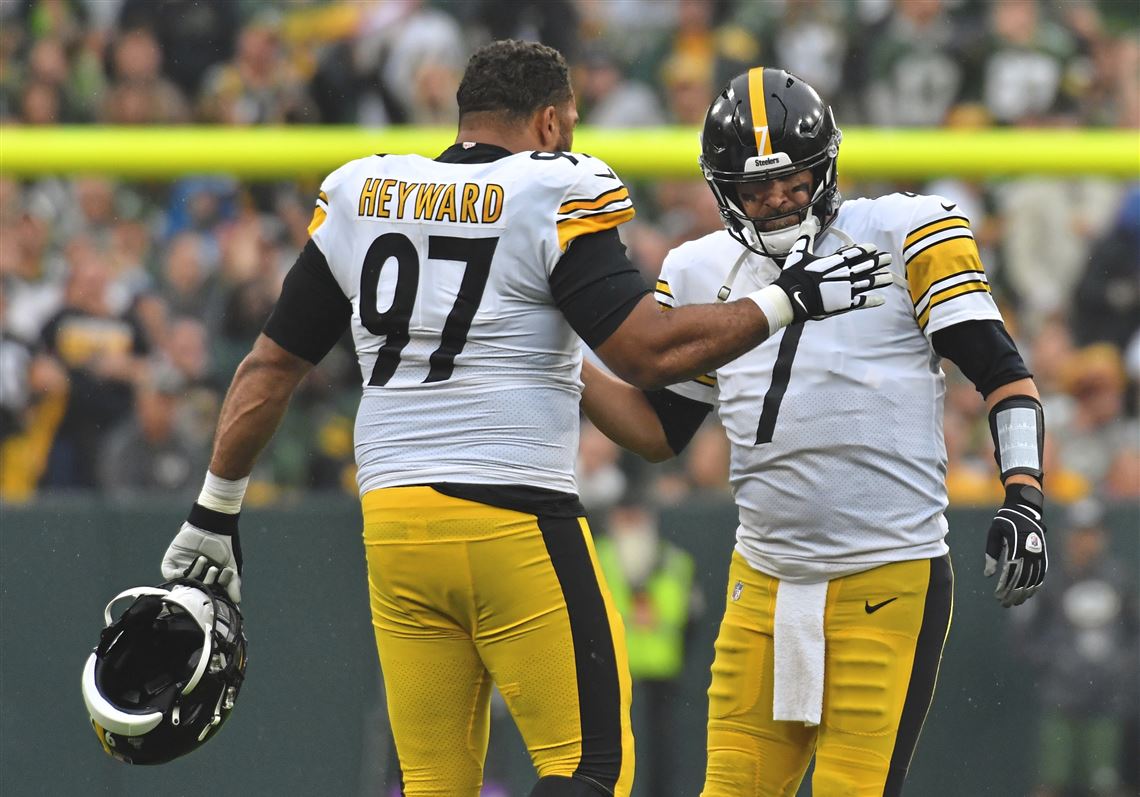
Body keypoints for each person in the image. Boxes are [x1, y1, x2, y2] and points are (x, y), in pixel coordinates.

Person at [156, 42, 891, 797]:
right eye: (569, 124)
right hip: (512, 516)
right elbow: (645, 354)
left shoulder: (364, 192)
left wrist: (213, 511)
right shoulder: (553, 187)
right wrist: (786, 298)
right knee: (591, 765)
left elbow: (268, 368)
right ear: (548, 123)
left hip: (394, 526)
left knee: (434, 780)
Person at [579, 67, 1050, 795]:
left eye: (793, 180)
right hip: (761, 588)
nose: (775, 200)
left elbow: (1004, 375)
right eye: (754, 187)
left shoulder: (905, 231)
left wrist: (1024, 495)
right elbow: (657, 432)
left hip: (886, 580)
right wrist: (567, 375)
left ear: (826, 166)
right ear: (721, 189)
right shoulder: (698, 268)